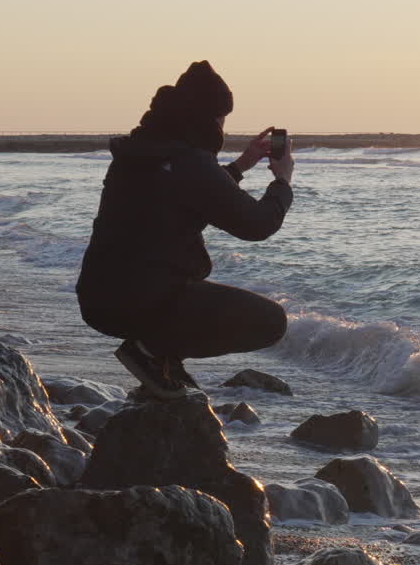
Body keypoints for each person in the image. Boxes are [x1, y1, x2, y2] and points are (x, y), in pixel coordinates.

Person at [76, 60, 295, 398]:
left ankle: (162, 357)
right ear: (208, 117)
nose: (222, 127)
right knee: (271, 322)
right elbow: (255, 224)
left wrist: (240, 166)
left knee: (175, 289)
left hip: (98, 297)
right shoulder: (188, 162)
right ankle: (150, 350)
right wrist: (282, 182)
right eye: (222, 118)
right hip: (145, 299)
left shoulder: (138, 152)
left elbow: (185, 199)